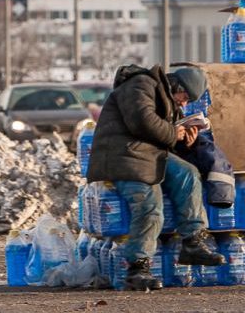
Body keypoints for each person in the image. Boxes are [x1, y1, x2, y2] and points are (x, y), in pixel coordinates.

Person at [86, 64, 225, 291]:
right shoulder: (140, 84)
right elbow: (142, 121)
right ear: (176, 86)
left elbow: (164, 138)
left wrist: (185, 141)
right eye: (185, 97)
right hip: (123, 156)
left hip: (149, 155)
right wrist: (173, 133)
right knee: (150, 205)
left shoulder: (169, 101)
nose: (185, 103)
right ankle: (137, 269)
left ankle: (193, 242)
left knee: (187, 174)